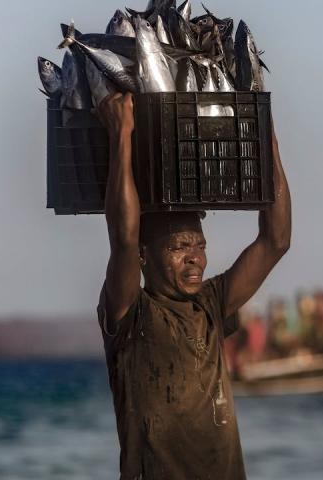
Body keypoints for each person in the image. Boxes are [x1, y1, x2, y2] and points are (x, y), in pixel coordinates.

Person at [95, 92, 291, 480]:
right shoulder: (130, 313)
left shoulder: (211, 304)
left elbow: (276, 241)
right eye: (179, 247)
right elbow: (123, 236)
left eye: (199, 245)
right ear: (144, 257)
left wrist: (266, 140)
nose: (195, 258)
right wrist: (122, 134)